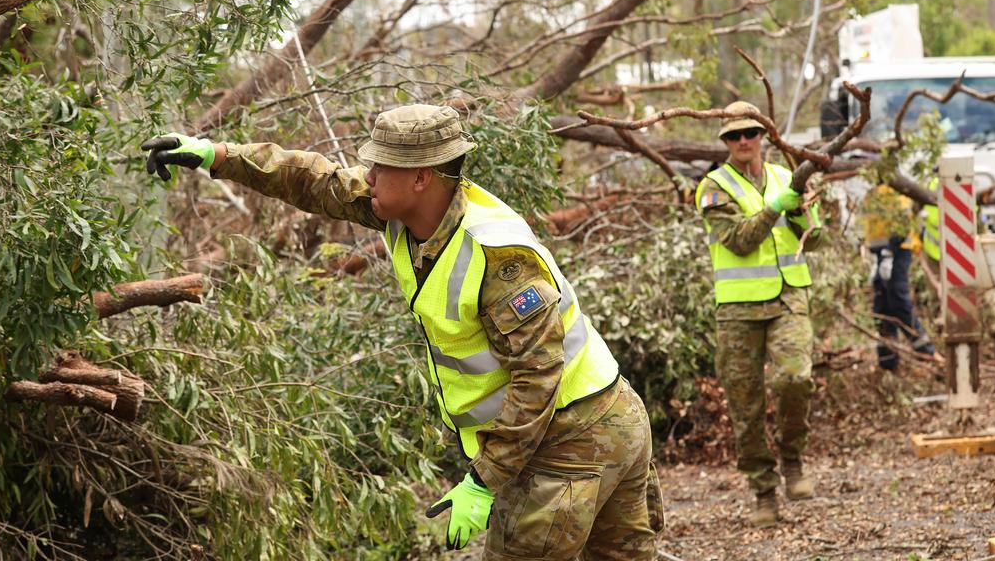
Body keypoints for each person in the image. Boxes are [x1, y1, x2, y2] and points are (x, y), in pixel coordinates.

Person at [141, 104, 662, 559]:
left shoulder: (498, 258)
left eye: (378, 166)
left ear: (422, 177)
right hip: (585, 424)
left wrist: (484, 482)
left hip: (574, 440)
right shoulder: (399, 211)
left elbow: (539, 376)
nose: (365, 176)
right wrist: (216, 155)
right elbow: (310, 178)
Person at [694, 101, 823, 528]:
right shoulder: (713, 187)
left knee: (795, 378)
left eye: (750, 133)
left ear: (763, 136)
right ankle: (763, 491)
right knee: (745, 406)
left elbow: (816, 239)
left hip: (789, 297)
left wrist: (804, 211)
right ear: (725, 142)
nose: (743, 141)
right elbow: (739, 241)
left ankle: (793, 461)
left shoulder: (787, 177)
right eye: (733, 136)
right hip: (738, 310)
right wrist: (775, 208)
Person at [859, 184, 940, 371]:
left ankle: (926, 352)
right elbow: (868, 226)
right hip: (880, 253)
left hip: (897, 251)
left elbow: (902, 225)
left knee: (897, 298)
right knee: (881, 306)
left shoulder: (896, 192)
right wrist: (873, 256)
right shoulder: (873, 193)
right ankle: (888, 362)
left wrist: (889, 252)